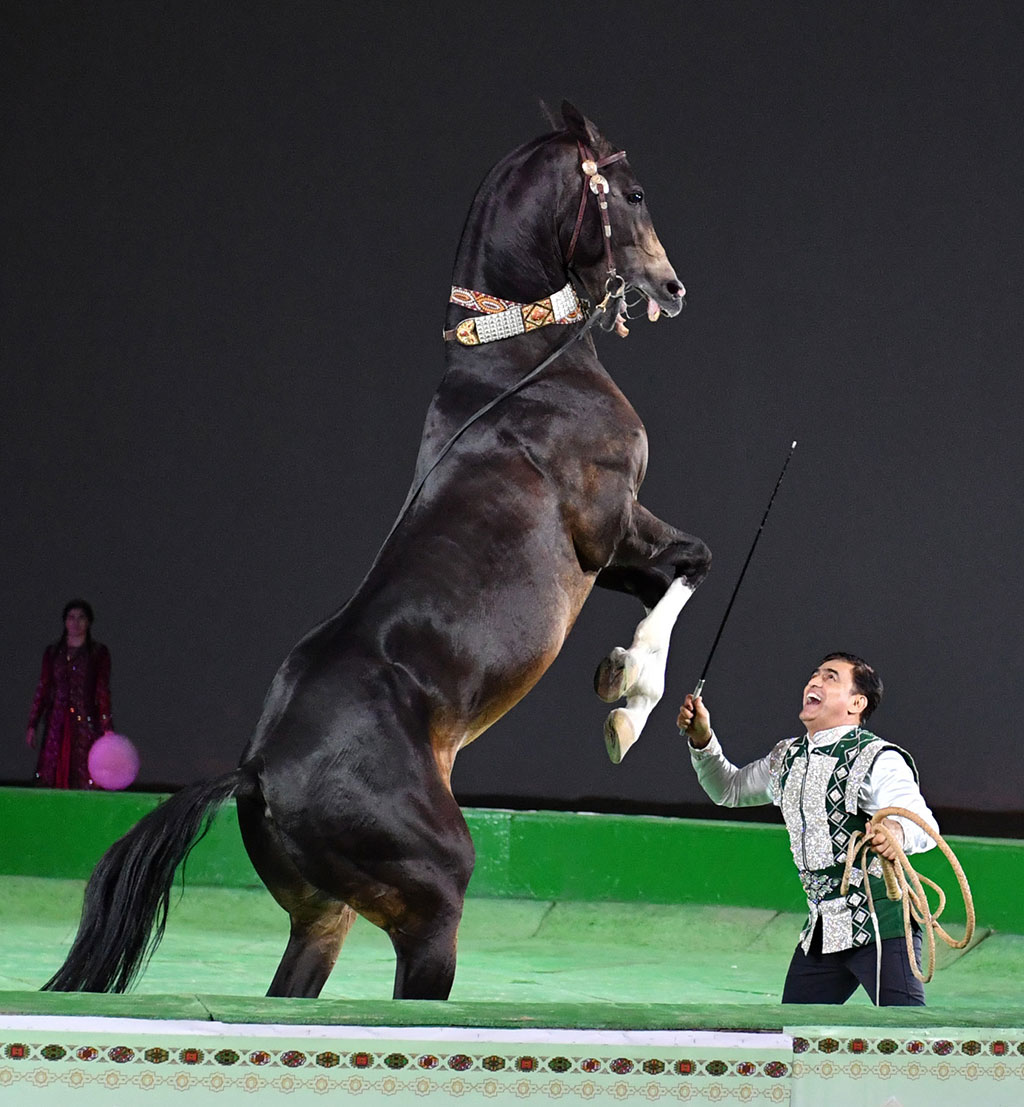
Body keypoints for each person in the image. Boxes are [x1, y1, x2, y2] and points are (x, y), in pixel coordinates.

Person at [677, 652, 938, 1006]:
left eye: (831, 678)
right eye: (814, 675)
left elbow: (918, 818)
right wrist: (702, 740)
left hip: (881, 927)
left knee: (906, 1035)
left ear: (856, 703)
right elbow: (730, 789)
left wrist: (895, 830)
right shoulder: (786, 756)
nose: (814, 682)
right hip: (822, 931)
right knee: (793, 1039)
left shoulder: (878, 757)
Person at [25, 600, 112, 789]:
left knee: (84, 772)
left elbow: (102, 689)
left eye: (81, 618)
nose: (76, 622)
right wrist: (33, 723)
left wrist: (106, 726)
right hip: (57, 721)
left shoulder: (97, 653)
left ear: (89, 622)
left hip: (86, 722)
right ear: (65, 622)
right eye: (71, 617)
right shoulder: (53, 652)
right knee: (51, 771)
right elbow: (44, 687)